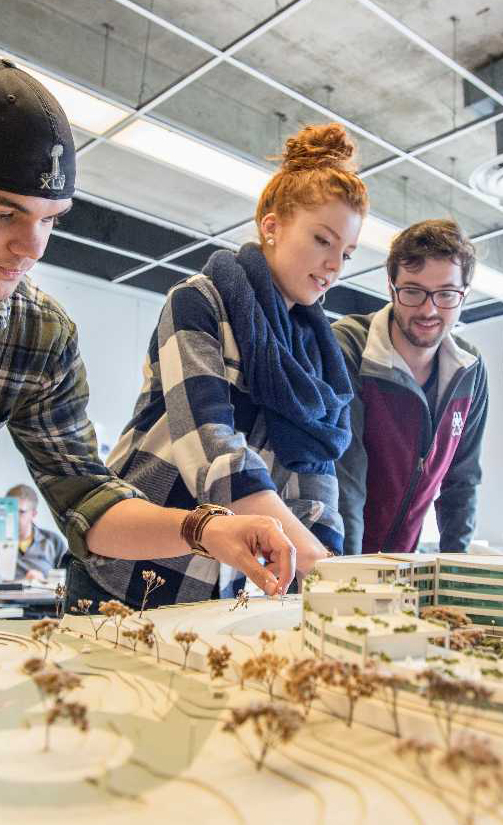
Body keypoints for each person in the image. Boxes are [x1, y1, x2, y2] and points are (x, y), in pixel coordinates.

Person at [0, 56, 297, 620]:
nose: (32, 247)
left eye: (51, 219)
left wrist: (204, 527)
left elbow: (86, 500)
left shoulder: (36, 337)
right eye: (2, 213)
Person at [70, 123, 367, 609]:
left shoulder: (314, 352)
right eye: (321, 240)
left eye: (346, 253)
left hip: (215, 581)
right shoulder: (199, 302)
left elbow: (316, 468)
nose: (334, 264)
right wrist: (315, 562)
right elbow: (210, 447)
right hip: (128, 568)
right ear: (271, 227)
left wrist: (327, 554)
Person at [333, 219, 489, 555]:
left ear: (464, 295)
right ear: (391, 288)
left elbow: (462, 481)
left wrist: (454, 571)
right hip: (335, 558)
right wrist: (349, 574)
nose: (429, 309)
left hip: (402, 562)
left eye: (446, 294)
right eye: (413, 291)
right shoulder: (349, 347)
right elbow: (346, 478)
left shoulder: (470, 369)